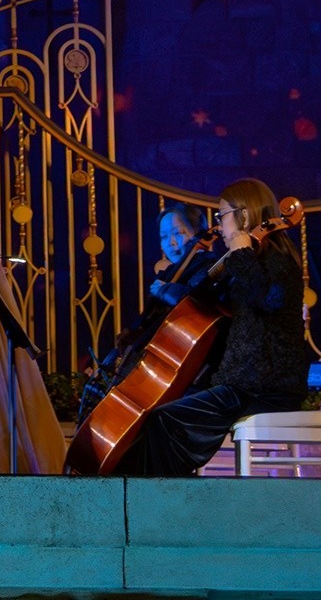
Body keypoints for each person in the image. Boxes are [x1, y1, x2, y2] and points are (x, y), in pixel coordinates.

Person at [121, 177, 308, 477]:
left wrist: (241, 253)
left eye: (223, 216)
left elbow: (267, 298)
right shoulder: (245, 261)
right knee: (155, 417)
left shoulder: (277, 260)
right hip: (243, 385)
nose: (219, 226)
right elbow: (203, 298)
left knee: (166, 421)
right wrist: (175, 276)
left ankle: (166, 499)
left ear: (243, 215)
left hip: (266, 389)